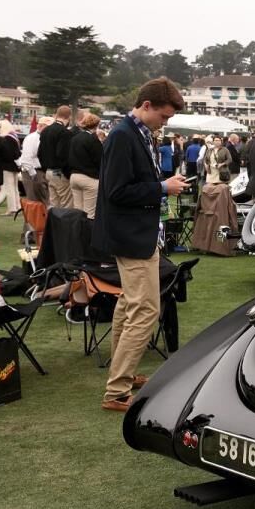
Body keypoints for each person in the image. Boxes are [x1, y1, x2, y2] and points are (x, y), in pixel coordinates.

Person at [93, 77, 188, 412]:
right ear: (146, 106)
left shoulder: (138, 133)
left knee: (129, 305)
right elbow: (116, 192)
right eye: (164, 116)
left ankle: (124, 374)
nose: (166, 122)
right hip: (130, 236)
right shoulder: (122, 136)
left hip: (139, 232)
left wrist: (162, 186)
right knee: (146, 309)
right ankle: (117, 391)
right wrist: (162, 188)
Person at [68, 111, 104, 218]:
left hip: (74, 176)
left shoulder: (75, 138)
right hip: (89, 178)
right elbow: (100, 160)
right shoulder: (93, 140)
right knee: (89, 214)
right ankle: (87, 234)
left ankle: (76, 234)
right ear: (96, 125)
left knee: (77, 212)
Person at [38, 105, 74, 208]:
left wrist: (45, 169)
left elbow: (40, 153)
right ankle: (64, 225)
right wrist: (67, 174)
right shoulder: (65, 132)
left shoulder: (45, 131)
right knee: (66, 204)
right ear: (69, 117)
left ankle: (53, 224)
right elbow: (62, 155)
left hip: (48, 171)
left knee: (54, 204)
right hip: (59, 172)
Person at [18, 116, 50, 203]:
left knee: (43, 202)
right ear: (40, 126)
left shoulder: (44, 137)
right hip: (32, 172)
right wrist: (33, 175)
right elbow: (26, 158)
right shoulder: (32, 138)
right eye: (48, 127)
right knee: (34, 203)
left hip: (40, 171)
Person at [0, 119, 22, 216]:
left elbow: (8, 154)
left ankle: (12, 209)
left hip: (7, 166)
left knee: (9, 188)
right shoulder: (14, 137)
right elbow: (17, 153)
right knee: (14, 187)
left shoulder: (6, 138)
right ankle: (17, 206)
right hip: (14, 165)